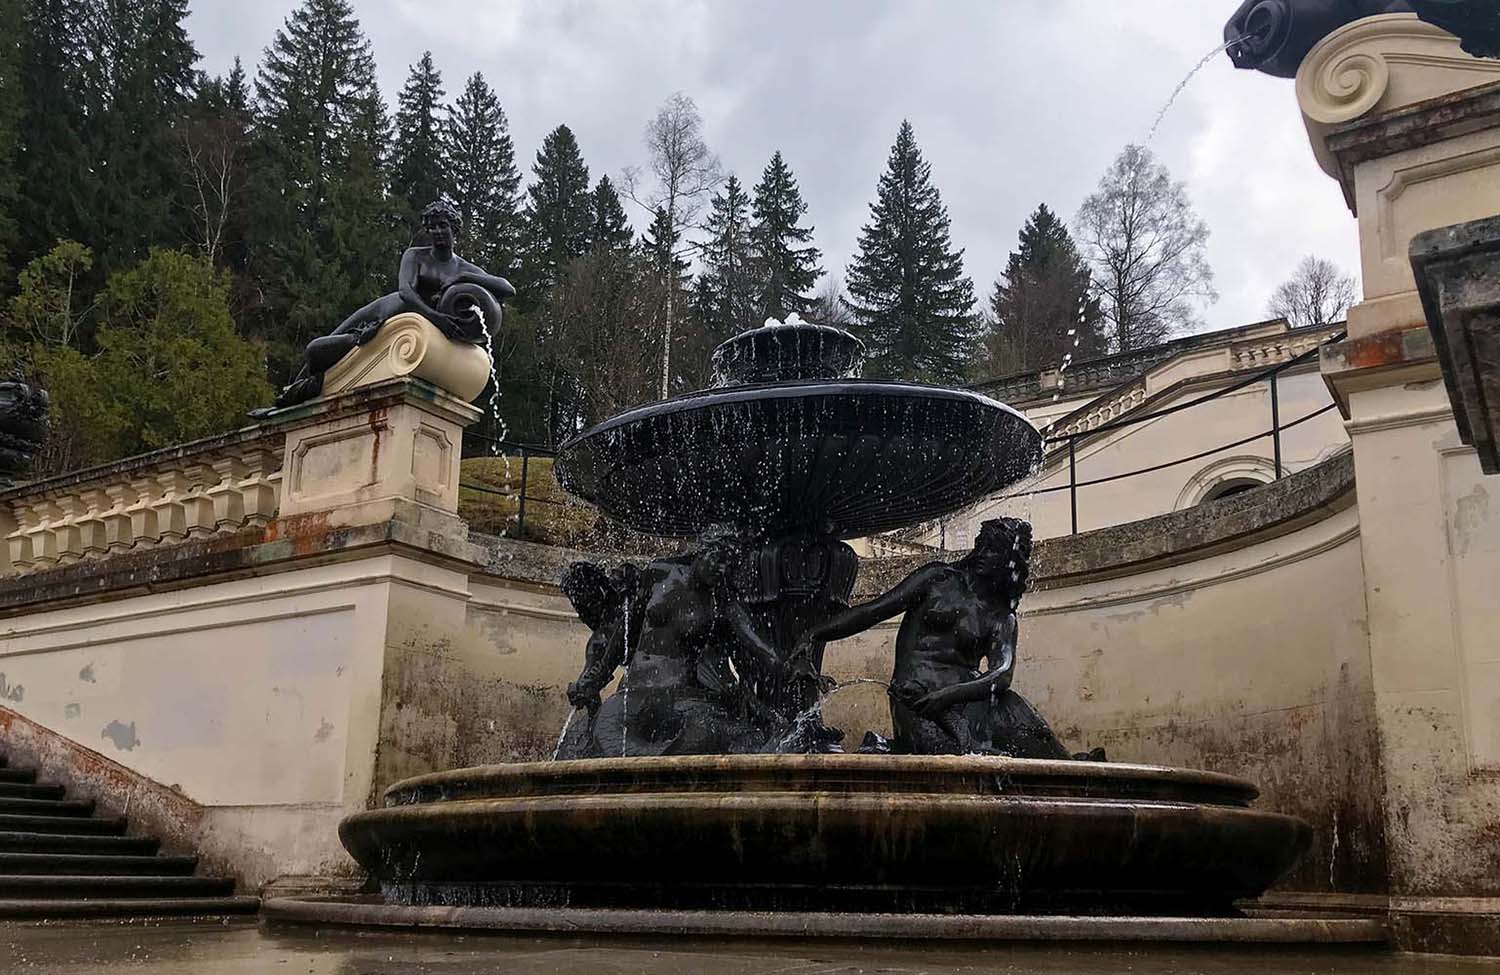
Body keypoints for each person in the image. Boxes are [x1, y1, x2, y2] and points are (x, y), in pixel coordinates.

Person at [795, 519, 1073, 758]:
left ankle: (1077, 773)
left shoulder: (1001, 617)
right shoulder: (938, 578)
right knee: (952, 757)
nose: (985, 553)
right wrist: (814, 635)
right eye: (985, 546)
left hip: (964, 704)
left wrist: (946, 696)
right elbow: (874, 611)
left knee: (1018, 714)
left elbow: (1001, 675)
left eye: (996, 551)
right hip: (916, 700)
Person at [268, 199, 516, 409]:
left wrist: (465, 277)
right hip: (385, 311)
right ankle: (289, 396)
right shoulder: (416, 256)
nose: (438, 232)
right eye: (432, 228)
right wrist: (436, 317)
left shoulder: (464, 268)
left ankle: (298, 392)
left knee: (322, 353)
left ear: (455, 230)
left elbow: (507, 289)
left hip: (405, 325)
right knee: (318, 350)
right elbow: (406, 291)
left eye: (443, 226)